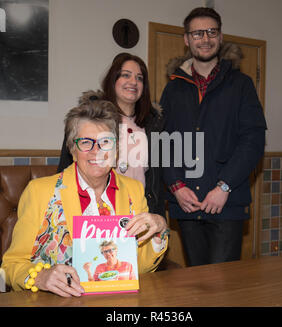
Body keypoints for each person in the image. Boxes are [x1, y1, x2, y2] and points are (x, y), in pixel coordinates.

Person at [1, 99, 168, 297]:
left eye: (105, 142)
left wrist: (159, 229)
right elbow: (11, 265)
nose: (96, 151)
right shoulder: (39, 192)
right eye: (86, 142)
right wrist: (40, 277)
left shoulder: (134, 189)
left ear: (116, 151)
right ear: (73, 150)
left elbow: (138, 267)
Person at [160, 7, 267, 266]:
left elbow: (253, 140)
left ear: (220, 37)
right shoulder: (173, 88)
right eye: (197, 33)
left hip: (226, 204)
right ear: (187, 39)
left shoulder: (241, 85)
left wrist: (224, 186)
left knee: (222, 288)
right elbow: (162, 142)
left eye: (211, 32)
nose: (205, 39)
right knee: (197, 284)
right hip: (187, 204)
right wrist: (176, 187)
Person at [57, 53, 165, 217]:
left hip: (140, 210)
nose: (133, 82)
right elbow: (66, 166)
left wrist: (157, 217)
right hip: (96, 209)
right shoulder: (90, 118)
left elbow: (156, 180)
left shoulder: (154, 124)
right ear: (113, 79)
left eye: (139, 78)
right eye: (126, 75)